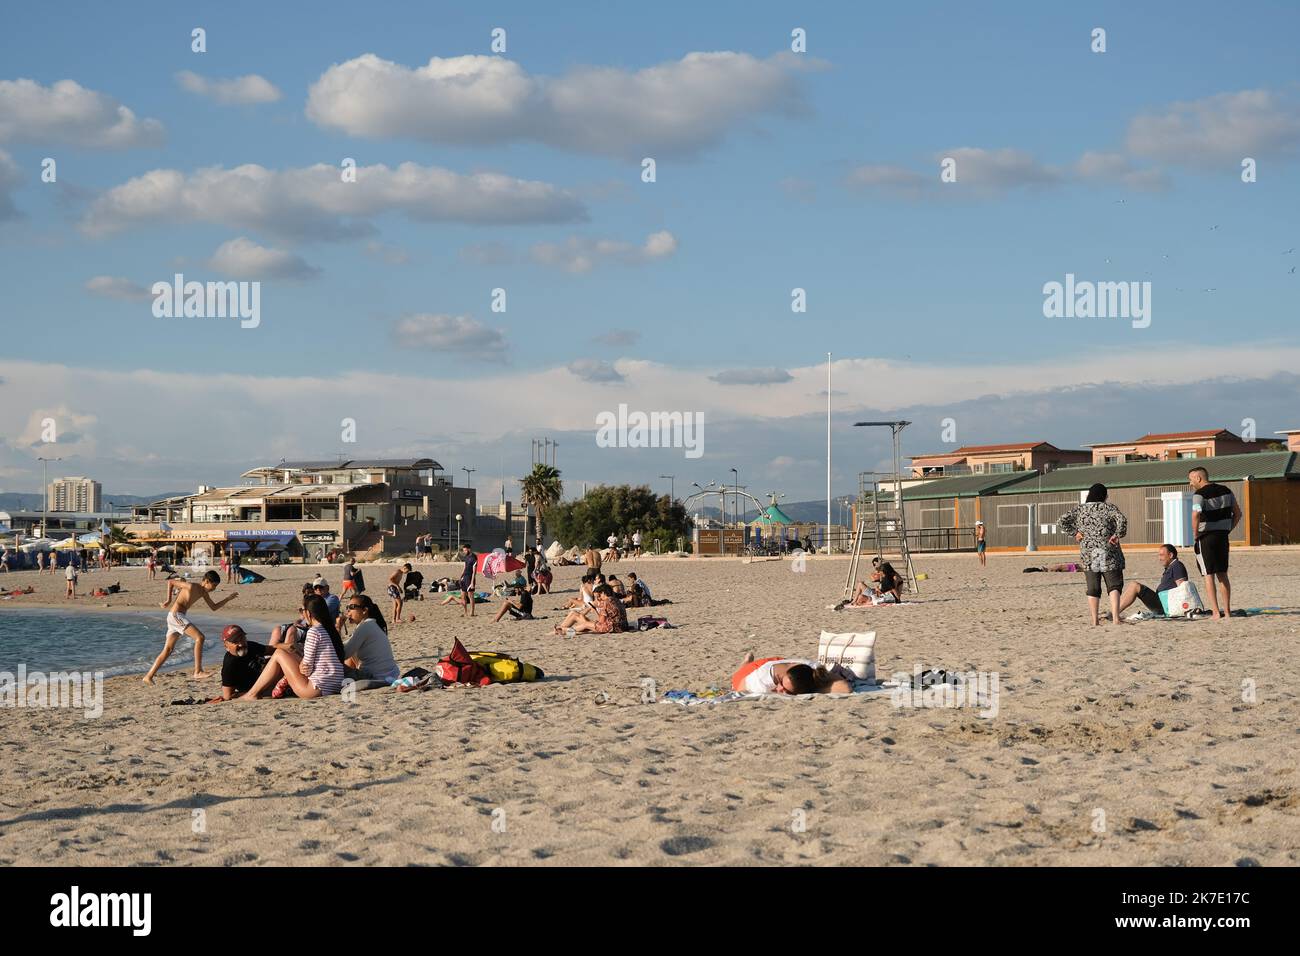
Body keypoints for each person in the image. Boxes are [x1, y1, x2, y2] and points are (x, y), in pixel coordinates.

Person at [239, 595, 346, 700]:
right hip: (334, 686)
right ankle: (259, 691)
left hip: (316, 689)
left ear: (308, 613)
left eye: (302, 610)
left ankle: (252, 694)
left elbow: (307, 669)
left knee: (278, 653)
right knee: (288, 653)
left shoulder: (314, 631)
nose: (302, 613)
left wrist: (300, 666)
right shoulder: (331, 631)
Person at [143, 570, 238, 684]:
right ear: (206, 581)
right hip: (176, 615)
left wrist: (228, 599)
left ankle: (148, 676)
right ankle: (198, 671)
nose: (214, 589)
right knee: (200, 638)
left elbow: (214, 607)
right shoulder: (191, 586)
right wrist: (168, 600)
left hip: (177, 617)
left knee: (168, 650)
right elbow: (171, 582)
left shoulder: (203, 593)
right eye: (213, 586)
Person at [1058, 483, 1128, 627]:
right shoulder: (1109, 508)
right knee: (1114, 585)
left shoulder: (1080, 509)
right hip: (1109, 551)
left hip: (1090, 553)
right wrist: (1117, 535)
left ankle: (1095, 620)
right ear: (1103, 496)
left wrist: (1075, 533)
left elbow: (1061, 521)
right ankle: (1115, 618)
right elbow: (1122, 520)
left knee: (1093, 587)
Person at [1189, 466, 1243, 620]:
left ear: (1199, 478)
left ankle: (1215, 612)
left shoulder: (1198, 495)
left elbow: (1196, 514)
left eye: (1191, 480)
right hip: (1222, 537)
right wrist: (1227, 529)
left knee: (1208, 574)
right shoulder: (1227, 490)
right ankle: (1227, 611)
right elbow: (1238, 514)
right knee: (1223, 574)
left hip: (1206, 537)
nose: (1190, 484)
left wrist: (1196, 534)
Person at [731, 652, 854, 695]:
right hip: (754, 671)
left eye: (786, 690)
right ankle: (747, 662)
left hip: (777, 662)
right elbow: (739, 690)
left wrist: (813, 689)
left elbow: (845, 688)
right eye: (780, 683)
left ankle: (749, 662)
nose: (779, 689)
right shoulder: (761, 683)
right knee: (736, 678)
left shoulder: (814, 669)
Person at [341, 594, 400, 683]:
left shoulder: (365, 626)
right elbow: (346, 647)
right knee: (350, 656)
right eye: (347, 607)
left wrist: (337, 628)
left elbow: (342, 654)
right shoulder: (370, 624)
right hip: (390, 674)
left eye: (352, 607)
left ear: (364, 610)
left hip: (375, 676)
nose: (348, 610)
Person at [1118, 544, 1190, 618]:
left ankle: (1114, 613)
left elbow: (1183, 588)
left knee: (1135, 586)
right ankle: (1114, 610)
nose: (1159, 558)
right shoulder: (1171, 567)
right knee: (1132, 585)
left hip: (1166, 606)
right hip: (1162, 602)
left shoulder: (1177, 566)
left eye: (1162, 555)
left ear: (1171, 555)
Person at [217, 625, 273, 701]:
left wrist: (290, 647)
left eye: (242, 639)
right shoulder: (230, 664)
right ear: (226, 646)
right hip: (263, 687)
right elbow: (228, 696)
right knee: (279, 655)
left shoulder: (250, 646)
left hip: (268, 678)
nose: (241, 644)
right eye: (235, 642)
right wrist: (256, 691)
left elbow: (272, 649)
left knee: (278, 631)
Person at [457, 544, 476, 618]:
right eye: (463, 550)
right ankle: (465, 612)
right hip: (464, 578)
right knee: (463, 596)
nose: (464, 551)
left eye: (465, 550)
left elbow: (474, 571)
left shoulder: (474, 557)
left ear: (469, 549)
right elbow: (464, 567)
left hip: (470, 578)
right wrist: (461, 576)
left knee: (470, 595)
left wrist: (472, 582)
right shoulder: (466, 557)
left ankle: (472, 612)